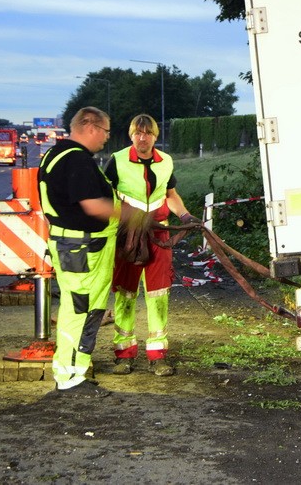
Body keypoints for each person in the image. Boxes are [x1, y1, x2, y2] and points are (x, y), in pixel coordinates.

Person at [105, 114, 198, 377]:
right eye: (138, 133)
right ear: (131, 135)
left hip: (158, 234)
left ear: (155, 136)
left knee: (159, 293)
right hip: (128, 234)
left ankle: (158, 356)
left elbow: (171, 195)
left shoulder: (166, 161)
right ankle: (124, 354)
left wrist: (185, 216)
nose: (142, 138)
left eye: (148, 133)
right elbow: (105, 196)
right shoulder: (118, 161)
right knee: (125, 292)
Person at [37, 107, 119, 397]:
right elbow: (93, 206)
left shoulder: (56, 154)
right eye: (106, 132)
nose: (106, 139)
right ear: (90, 126)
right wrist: (137, 216)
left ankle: (76, 369)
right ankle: (70, 376)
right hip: (83, 248)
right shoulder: (77, 160)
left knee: (87, 309)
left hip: (74, 245)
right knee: (80, 309)